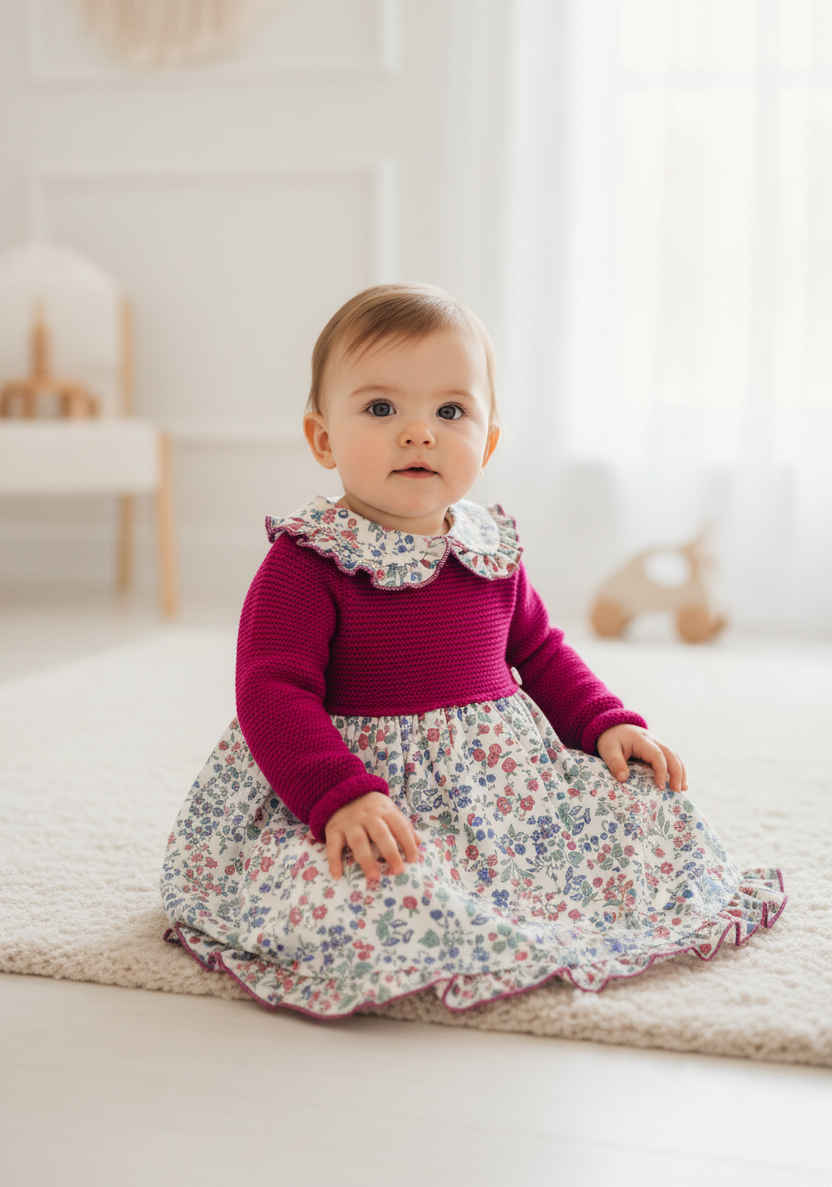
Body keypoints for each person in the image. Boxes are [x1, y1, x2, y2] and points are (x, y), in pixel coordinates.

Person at [161, 282, 785, 1016]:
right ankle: (411, 901)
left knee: (640, 810)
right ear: (323, 438)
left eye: (450, 412)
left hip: (500, 785)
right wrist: (338, 796)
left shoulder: (489, 547)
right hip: (364, 789)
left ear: (486, 443)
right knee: (367, 890)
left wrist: (605, 722)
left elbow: (543, 652)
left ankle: (542, 900)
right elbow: (272, 691)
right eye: (381, 408)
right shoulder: (310, 561)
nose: (419, 432)